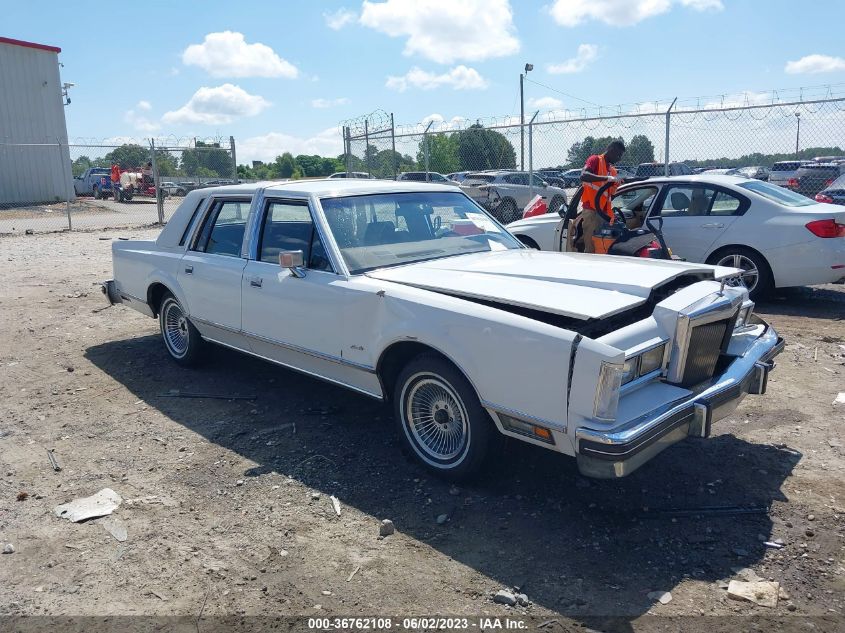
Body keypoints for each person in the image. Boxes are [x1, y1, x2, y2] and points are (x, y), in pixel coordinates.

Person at [566, 140, 626, 253]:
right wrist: (606, 179)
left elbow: (609, 195)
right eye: (618, 155)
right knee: (591, 247)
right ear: (611, 150)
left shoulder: (612, 171)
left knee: (601, 246)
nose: (619, 159)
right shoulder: (595, 160)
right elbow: (584, 176)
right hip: (591, 211)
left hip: (604, 213)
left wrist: (616, 184)